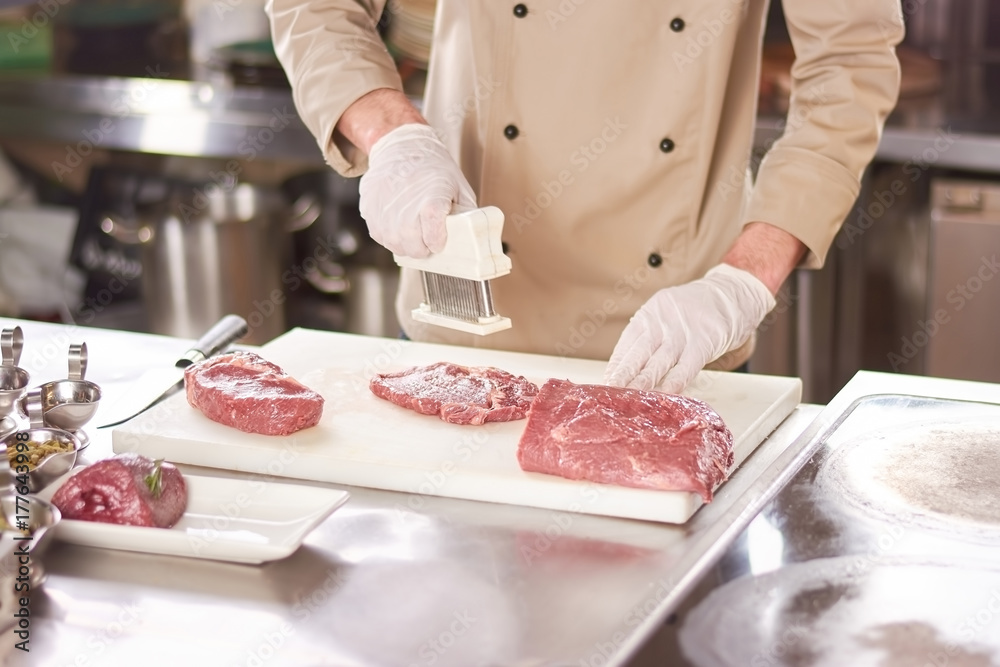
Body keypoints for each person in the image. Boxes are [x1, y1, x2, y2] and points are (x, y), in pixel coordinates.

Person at [267, 1, 903, 393]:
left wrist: (743, 281)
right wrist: (393, 136)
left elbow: (849, 63)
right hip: (468, 317)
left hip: (676, 331)